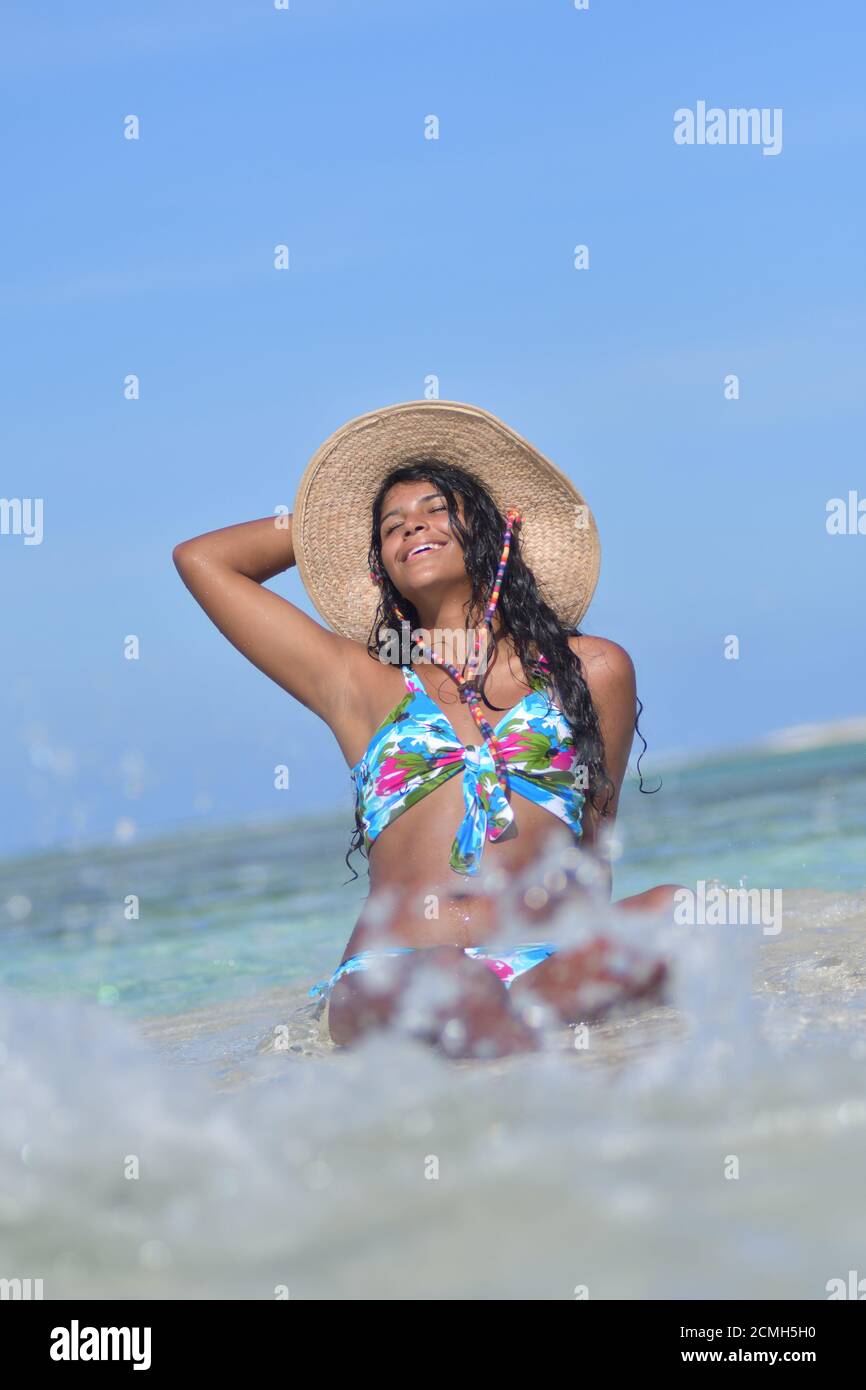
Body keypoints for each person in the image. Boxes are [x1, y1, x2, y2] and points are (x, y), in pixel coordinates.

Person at [173, 400, 678, 1059]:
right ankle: (534, 1089)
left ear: (496, 530)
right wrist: (336, 525)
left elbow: (593, 844)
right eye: (393, 526)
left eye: (439, 509)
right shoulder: (361, 686)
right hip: (400, 969)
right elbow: (202, 560)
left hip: (544, 965)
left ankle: (529, 1047)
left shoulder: (593, 669)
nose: (415, 524)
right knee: (453, 979)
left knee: (680, 911)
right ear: (379, 560)